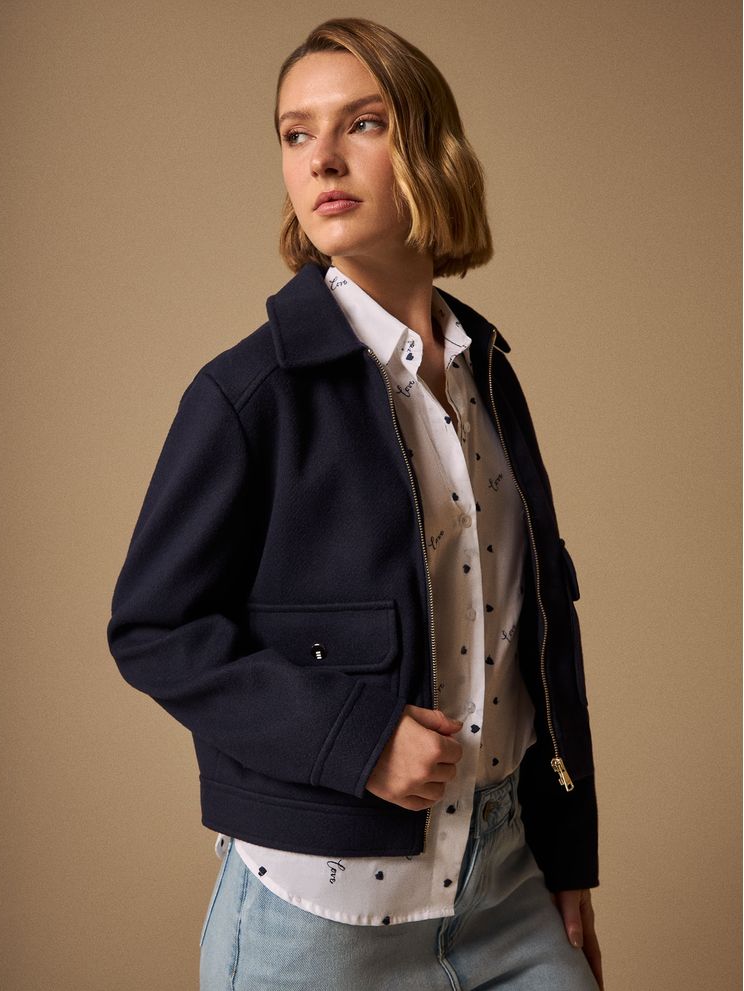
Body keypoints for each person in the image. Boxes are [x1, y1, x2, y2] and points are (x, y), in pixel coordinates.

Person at [107, 16, 603, 991]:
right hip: (318, 922)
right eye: (296, 134)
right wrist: (357, 739)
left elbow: (535, 630)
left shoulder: (487, 377)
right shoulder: (250, 394)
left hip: (506, 884)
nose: (322, 158)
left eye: (362, 124)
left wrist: (567, 850)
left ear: (430, 149)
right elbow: (153, 628)